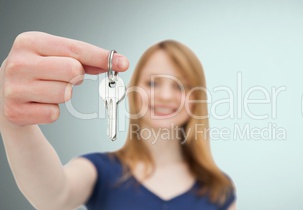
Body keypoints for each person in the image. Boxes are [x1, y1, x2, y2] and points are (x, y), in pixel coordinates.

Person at [0, 31, 237, 210]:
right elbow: (52, 196)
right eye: (153, 83)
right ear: (131, 92)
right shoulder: (100, 170)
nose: (165, 96)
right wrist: (14, 122)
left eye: (180, 85)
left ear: (196, 99)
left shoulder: (219, 189)